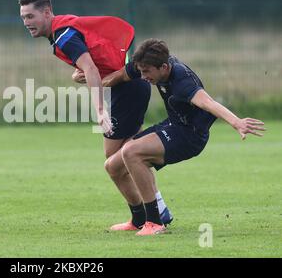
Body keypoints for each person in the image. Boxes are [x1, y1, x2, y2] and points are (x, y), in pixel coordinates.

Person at [18, 0, 173, 230]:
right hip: (128, 88)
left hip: (128, 90)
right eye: (23, 17)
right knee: (129, 152)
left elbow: (90, 68)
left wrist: (99, 110)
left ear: (47, 13)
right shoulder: (63, 30)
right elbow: (90, 61)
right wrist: (77, 71)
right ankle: (148, 214)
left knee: (115, 159)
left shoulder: (63, 36)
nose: (26, 23)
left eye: (31, 16)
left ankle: (153, 212)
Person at [102, 38, 265, 236]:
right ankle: (138, 220)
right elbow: (119, 75)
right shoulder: (148, 63)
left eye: (146, 72)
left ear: (163, 67)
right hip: (173, 125)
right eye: (141, 71)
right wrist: (90, 76)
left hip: (190, 136)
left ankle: (154, 222)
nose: (143, 76)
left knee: (131, 152)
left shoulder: (181, 79)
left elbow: (208, 103)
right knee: (112, 166)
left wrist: (236, 122)